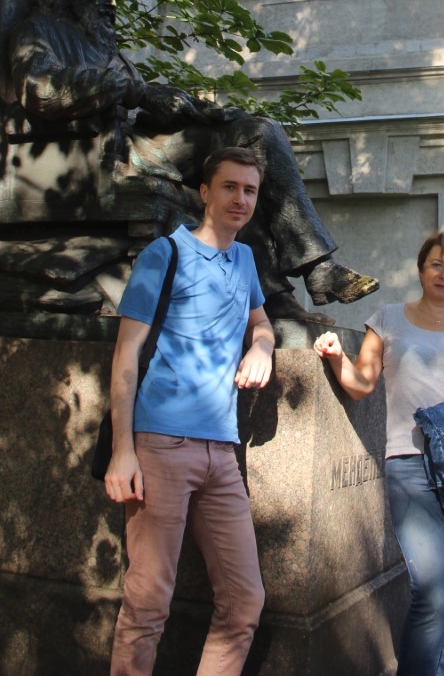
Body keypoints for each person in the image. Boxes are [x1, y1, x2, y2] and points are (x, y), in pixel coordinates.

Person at [8, 0, 378, 317]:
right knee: (250, 150)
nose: (112, 3)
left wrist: (190, 109)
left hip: (139, 142)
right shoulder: (41, 31)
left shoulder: (109, 52)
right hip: (92, 155)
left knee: (252, 141)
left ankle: (274, 294)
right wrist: (136, 92)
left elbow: (140, 101)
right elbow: (40, 89)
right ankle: (312, 272)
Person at [313, 229, 444, 676]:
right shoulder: (388, 318)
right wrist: (336, 356)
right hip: (409, 465)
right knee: (431, 589)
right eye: (436, 265)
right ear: (421, 269)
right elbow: (362, 384)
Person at [106, 146, 274, 676]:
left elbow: (262, 323)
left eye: (250, 190)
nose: (240, 199)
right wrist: (122, 451)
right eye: (230, 187)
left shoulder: (245, 260)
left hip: (222, 453)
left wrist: (262, 348)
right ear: (205, 192)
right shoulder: (165, 254)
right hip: (161, 446)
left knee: (245, 600)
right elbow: (126, 355)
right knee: (148, 602)